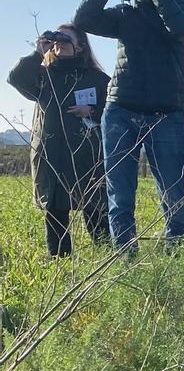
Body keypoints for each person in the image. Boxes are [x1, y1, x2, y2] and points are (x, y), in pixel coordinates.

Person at [73, 0, 184, 252]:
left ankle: (176, 256)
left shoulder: (182, 8)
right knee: (120, 193)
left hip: (166, 112)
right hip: (120, 110)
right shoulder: (125, 14)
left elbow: (179, 27)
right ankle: (125, 260)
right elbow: (83, 19)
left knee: (173, 191)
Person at [8, 25, 111, 256]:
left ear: (81, 46)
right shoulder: (43, 75)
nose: (59, 43)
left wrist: (92, 112)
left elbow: (115, 113)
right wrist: (37, 53)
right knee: (55, 211)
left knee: (95, 208)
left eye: (66, 39)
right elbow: (15, 78)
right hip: (51, 153)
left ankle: (106, 257)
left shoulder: (97, 79)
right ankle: (60, 262)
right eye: (56, 39)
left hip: (88, 156)